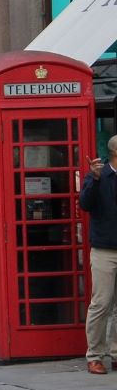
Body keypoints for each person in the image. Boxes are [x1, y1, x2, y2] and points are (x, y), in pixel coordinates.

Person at [81, 136, 117, 375]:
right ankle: (95, 355)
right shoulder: (98, 176)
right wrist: (93, 180)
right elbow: (85, 204)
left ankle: (115, 354)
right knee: (102, 304)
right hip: (105, 249)